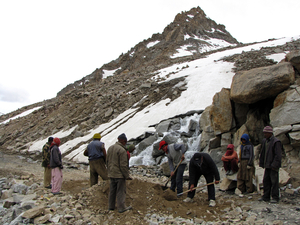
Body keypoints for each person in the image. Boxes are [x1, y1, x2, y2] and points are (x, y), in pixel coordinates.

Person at [106, 133, 132, 213]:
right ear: (123, 141)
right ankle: (121, 207)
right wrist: (126, 175)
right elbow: (123, 165)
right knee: (120, 191)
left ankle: (111, 206)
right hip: (119, 175)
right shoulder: (122, 150)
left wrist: (109, 170)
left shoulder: (110, 148)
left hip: (111, 173)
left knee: (112, 191)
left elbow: (107, 161)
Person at [259, 126, 282, 203]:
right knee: (266, 181)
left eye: (266, 133)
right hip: (267, 165)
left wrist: (274, 165)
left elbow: (278, 155)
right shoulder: (265, 141)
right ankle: (266, 196)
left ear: (270, 133)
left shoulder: (276, 142)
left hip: (273, 166)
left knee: (274, 182)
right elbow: (263, 152)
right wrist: (262, 163)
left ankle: (275, 197)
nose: (264, 134)